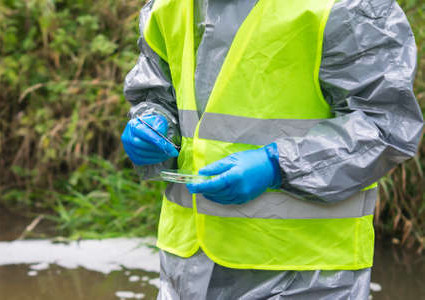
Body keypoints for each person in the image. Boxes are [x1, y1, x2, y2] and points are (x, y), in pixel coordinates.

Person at [121, 0, 423, 299]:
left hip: (305, 275)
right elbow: (158, 94)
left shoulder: (345, 7)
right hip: (187, 269)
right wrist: (154, 123)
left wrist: (277, 165)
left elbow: (386, 125)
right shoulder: (167, 7)